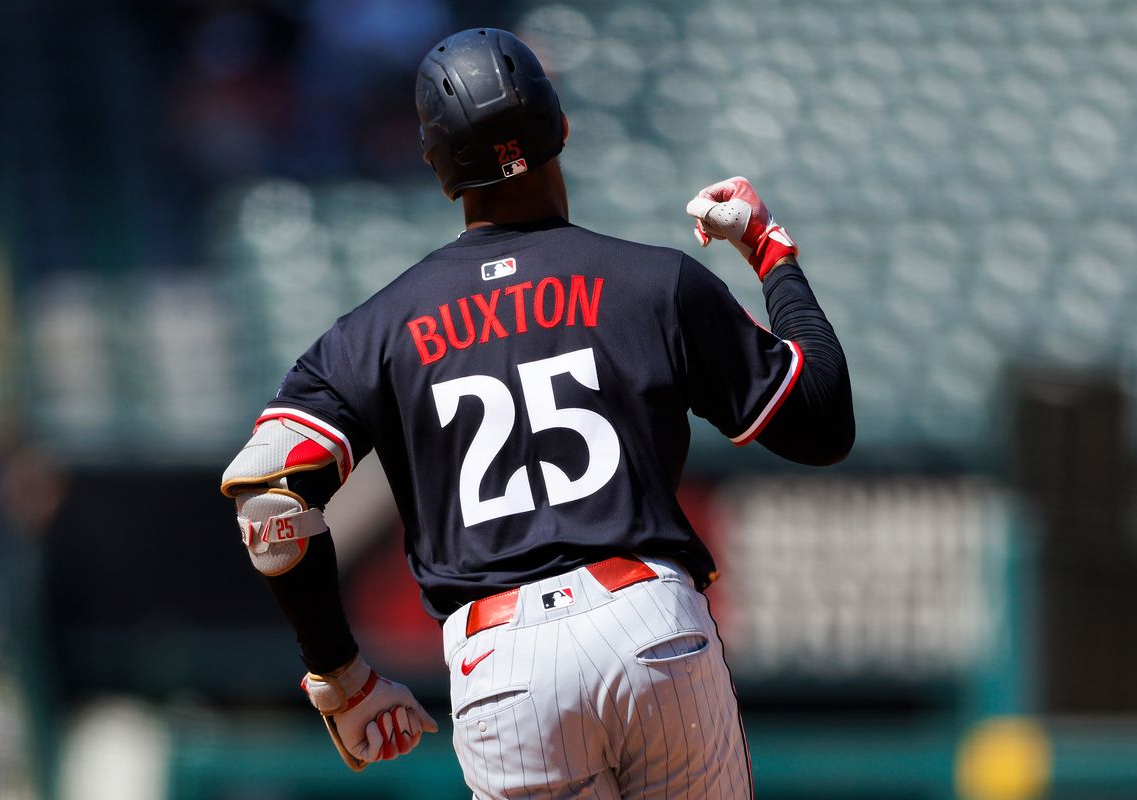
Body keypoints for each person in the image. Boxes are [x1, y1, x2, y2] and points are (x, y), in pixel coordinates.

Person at [220, 27, 854, 799]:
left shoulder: (376, 329)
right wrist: (771, 254)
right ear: (561, 127)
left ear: (437, 164)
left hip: (500, 661)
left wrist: (340, 676)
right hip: (650, 622)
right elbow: (821, 425)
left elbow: (272, 503)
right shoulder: (653, 283)